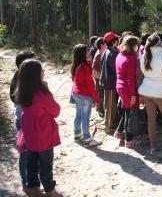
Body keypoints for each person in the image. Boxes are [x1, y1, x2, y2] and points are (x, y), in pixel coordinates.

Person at [15, 59, 61, 197]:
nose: (43, 72)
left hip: (29, 135)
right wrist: (47, 90)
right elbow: (56, 111)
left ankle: (33, 189)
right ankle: (50, 191)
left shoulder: (22, 92)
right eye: (42, 70)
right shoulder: (42, 94)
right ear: (36, 75)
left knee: (31, 165)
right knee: (46, 166)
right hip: (44, 136)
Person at [9, 51, 36, 194]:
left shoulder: (23, 76)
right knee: (25, 153)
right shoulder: (22, 78)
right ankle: (26, 182)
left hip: (22, 119)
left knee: (30, 152)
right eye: (33, 60)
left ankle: (30, 180)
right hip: (24, 120)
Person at [70, 44, 101, 147]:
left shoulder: (75, 65)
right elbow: (90, 85)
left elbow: (73, 79)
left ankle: (77, 135)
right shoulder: (84, 67)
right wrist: (96, 99)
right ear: (82, 54)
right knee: (85, 117)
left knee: (78, 115)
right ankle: (87, 139)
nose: (88, 53)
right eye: (87, 52)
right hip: (85, 96)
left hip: (76, 94)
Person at [114, 35, 140, 147]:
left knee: (126, 111)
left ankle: (118, 132)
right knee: (130, 113)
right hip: (127, 88)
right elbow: (131, 79)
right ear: (134, 46)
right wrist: (133, 94)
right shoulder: (131, 59)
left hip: (120, 86)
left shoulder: (120, 55)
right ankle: (128, 141)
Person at [100, 32, 120, 133]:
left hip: (108, 82)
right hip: (110, 83)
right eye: (117, 39)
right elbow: (116, 69)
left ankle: (110, 123)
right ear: (113, 41)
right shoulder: (112, 53)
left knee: (109, 104)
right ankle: (108, 127)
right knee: (110, 106)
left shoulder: (107, 51)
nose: (118, 41)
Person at [92, 37, 106, 117]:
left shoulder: (101, 53)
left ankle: (100, 108)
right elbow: (97, 69)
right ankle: (100, 110)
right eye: (105, 44)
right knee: (100, 94)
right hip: (98, 78)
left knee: (101, 93)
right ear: (101, 45)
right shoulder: (99, 55)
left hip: (99, 77)